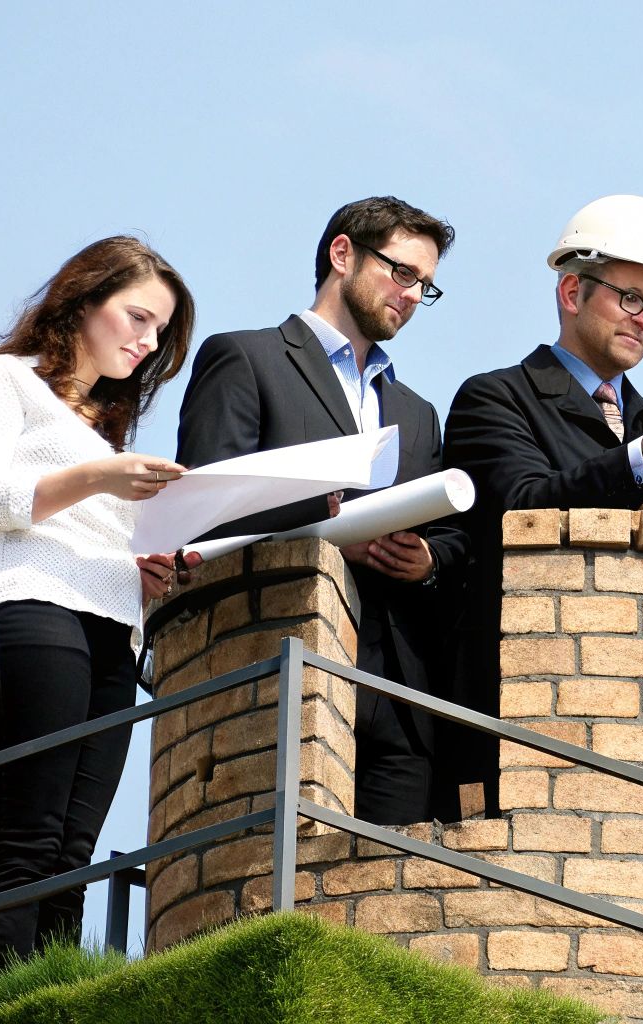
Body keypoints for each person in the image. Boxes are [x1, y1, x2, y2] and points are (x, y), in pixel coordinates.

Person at [0, 236, 196, 981]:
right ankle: (1, 1006)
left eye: (159, 332)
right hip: (29, 609)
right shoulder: (2, 380)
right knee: (29, 835)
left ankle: (54, 1000)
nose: (147, 342)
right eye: (138, 317)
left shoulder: (103, 429)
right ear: (83, 299)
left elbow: (95, 531)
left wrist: (145, 568)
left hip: (112, 631)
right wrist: (97, 478)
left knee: (72, 853)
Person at [176, 197, 466, 825]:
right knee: (286, 867)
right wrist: (325, 530)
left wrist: (427, 560)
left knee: (393, 879)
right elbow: (200, 509)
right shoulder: (246, 359)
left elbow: (452, 537)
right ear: (342, 254)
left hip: (400, 692)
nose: (413, 295)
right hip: (280, 661)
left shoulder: (417, 414)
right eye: (402, 272)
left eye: (426, 285)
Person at [441, 195, 643, 811]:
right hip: (515, 710)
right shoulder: (497, 398)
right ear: (572, 293)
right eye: (631, 298)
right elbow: (522, 506)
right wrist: (638, 458)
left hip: (636, 710)